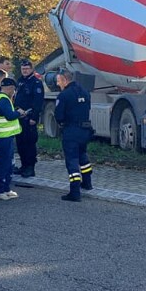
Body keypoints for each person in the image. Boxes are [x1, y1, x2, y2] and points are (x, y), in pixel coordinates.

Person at [53, 68, 92, 201]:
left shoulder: (64, 95)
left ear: (65, 80)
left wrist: (62, 123)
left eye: (58, 81)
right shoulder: (85, 92)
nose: (58, 84)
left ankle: (75, 192)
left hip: (71, 131)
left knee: (72, 160)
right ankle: (87, 183)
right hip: (85, 130)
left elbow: (59, 116)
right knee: (82, 156)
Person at [0, 78, 26, 199]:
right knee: (4, 163)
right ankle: (0, 190)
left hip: (4, 137)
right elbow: (9, 116)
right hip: (3, 137)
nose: (14, 92)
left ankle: (6, 188)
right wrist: (19, 112)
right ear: (11, 88)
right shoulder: (3, 100)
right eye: (14, 89)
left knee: (8, 163)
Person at [13, 59, 46, 178]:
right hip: (19, 118)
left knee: (29, 144)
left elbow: (38, 102)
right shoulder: (20, 81)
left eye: (27, 69)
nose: (25, 71)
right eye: (23, 69)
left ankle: (30, 168)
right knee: (20, 143)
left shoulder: (36, 83)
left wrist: (34, 117)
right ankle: (23, 165)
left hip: (29, 118)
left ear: (31, 69)